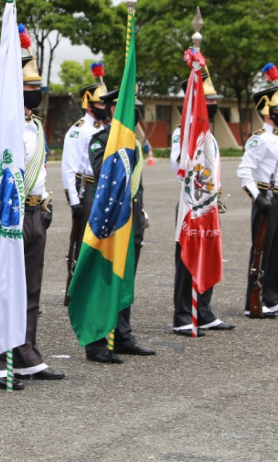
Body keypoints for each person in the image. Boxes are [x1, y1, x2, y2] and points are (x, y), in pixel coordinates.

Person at [0, 48, 65, 390]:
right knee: (3, 286)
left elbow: (39, 169)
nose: (35, 92)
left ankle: (26, 354)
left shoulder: (36, 127)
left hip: (37, 212)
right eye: (29, 86)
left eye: (37, 86)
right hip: (9, 215)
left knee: (31, 288)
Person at [82, 88, 156, 362]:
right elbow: (103, 174)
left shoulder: (135, 142)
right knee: (105, 279)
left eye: (137, 108)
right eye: (130, 109)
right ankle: (98, 341)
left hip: (132, 220)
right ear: (114, 109)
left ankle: (122, 334)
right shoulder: (101, 140)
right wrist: (119, 146)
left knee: (125, 280)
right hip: (111, 223)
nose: (135, 114)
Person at [170, 76, 235, 336]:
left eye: (214, 100)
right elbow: (180, 166)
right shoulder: (182, 133)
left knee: (208, 255)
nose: (213, 104)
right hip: (191, 205)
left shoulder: (210, 134)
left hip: (208, 206)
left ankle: (204, 311)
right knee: (186, 261)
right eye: (208, 100)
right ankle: (183, 314)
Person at [237, 63, 278, 317]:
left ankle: (273, 296)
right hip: (266, 198)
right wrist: (258, 197)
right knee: (261, 250)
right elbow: (243, 171)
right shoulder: (259, 139)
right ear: (267, 111)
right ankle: (255, 299)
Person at [61, 65, 113, 280]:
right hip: (88, 188)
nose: (105, 107)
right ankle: (78, 283)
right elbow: (69, 169)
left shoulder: (105, 129)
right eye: (101, 102)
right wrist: (74, 202)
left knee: (105, 238)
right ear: (88, 103)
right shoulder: (78, 130)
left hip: (105, 187)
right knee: (85, 240)